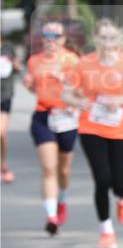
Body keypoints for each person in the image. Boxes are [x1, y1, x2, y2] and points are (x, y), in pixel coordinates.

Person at [63, 19, 123, 248]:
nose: (108, 43)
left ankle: (122, 196)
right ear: (95, 38)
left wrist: (119, 100)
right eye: (103, 38)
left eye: (112, 38)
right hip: (92, 127)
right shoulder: (83, 64)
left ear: (117, 40)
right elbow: (66, 94)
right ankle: (106, 230)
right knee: (102, 178)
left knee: (119, 181)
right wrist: (77, 101)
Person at [23, 21, 80, 234]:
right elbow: (35, 89)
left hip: (66, 117)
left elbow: (81, 91)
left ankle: (62, 200)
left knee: (63, 170)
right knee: (48, 168)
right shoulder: (34, 61)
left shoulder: (72, 60)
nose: (49, 39)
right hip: (43, 116)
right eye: (45, 35)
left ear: (63, 39)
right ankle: (51, 216)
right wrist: (29, 85)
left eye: (54, 35)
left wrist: (63, 78)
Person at [1, 36, 20, 183]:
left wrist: (15, 65)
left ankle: (3, 164)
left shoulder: (8, 48)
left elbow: (17, 68)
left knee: (1, 132)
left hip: (4, 95)